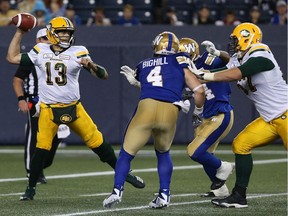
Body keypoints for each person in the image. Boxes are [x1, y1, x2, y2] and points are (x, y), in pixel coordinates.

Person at [6, 16, 145, 201]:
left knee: (98, 143)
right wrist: (20, 32)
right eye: (61, 32)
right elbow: (12, 57)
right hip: (48, 110)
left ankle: (125, 173)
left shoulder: (79, 51)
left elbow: (103, 75)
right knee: (41, 150)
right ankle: (30, 188)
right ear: (51, 33)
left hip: (74, 108)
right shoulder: (40, 50)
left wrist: (91, 65)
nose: (65, 36)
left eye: (68, 32)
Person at [103, 31, 205, 208]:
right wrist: (198, 111)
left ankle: (116, 191)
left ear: (156, 45)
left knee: (126, 154)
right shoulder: (181, 59)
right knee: (163, 153)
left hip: (147, 108)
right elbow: (199, 90)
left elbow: (153, 84)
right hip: (170, 110)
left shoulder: (143, 64)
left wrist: (136, 83)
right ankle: (164, 195)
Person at [191, 22, 288, 208]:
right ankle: (239, 196)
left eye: (236, 40)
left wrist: (207, 76)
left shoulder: (261, 54)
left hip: (285, 114)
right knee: (241, 144)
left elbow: (236, 73)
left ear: (247, 38)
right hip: (270, 119)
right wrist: (204, 71)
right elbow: (226, 68)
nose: (233, 44)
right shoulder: (241, 57)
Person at [179, 38, 234, 198]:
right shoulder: (184, 71)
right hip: (206, 117)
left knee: (194, 151)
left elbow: (231, 62)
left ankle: (225, 166)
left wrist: (217, 52)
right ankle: (220, 190)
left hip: (221, 112)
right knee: (205, 154)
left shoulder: (207, 60)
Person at [13, 28, 69, 184]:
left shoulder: (58, 56)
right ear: (38, 41)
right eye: (44, 38)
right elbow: (17, 79)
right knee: (34, 136)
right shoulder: (33, 57)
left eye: (50, 37)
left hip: (55, 102)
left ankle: (41, 166)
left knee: (57, 136)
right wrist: (21, 99)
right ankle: (33, 172)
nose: (48, 40)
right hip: (36, 101)